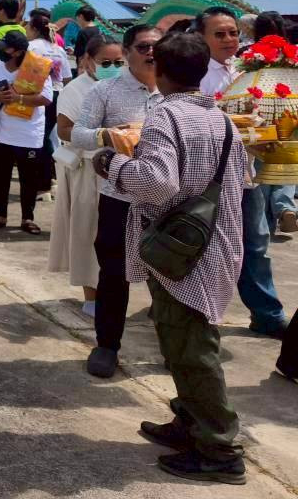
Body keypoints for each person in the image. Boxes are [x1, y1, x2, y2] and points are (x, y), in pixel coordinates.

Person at [98, 32, 247, 485]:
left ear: (159, 72)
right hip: (212, 243)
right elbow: (243, 178)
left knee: (193, 349)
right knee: (180, 340)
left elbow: (156, 183)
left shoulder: (165, 116)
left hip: (183, 250)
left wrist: (112, 164)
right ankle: (190, 421)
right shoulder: (221, 119)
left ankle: (220, 450)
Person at [71, 24, 162, 377]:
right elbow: (78, 134)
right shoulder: (105, 91)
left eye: (157, 47)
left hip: (165, 197)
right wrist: (107, 135)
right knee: (114, 272)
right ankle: (107, 345)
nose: (151, 53)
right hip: (119, 196)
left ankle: (173, 348)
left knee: (170, 274)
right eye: (143, 47)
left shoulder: (175, 90)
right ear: (126, 52)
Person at [195, 7, 289, 339]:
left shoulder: (248, 68)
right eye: (219, 34)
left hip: (247, 171)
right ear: (202, 37)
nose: (229, 39)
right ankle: (191, 313)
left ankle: (267, 314)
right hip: (209, 175)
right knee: (202, 245)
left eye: (233, 32)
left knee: (256, 243)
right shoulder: (197, 76)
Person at [49, 35, 124, 318]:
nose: (113, 68)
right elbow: (64, 130)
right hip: (88, 169)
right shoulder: (76, 89)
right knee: (87, 233)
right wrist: (102, 135)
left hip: (122, 168)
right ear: (88, 61)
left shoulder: (127, 87)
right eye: (106, 63)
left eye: (119, 62)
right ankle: (91, 296)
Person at [0, 30, 52, 235]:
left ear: (18, 52)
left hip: (28, 135)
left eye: (6, 49)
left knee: (28, 179)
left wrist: (18, 98)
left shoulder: (37, 68)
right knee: (0, 176)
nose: (1, 51)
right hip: (0, 133)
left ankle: (27, 218)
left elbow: (46, 99)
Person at [250, 12, 297, 234]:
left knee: (263, 167)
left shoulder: (251, 56)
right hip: (291, 115)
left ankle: (265, 223)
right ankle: (285, 207)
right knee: (287, 164)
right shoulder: (292, 54)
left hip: (262, 116)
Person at [28, 11, 72, 196]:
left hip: (38, 96)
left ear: (34, 28)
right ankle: (50, 178)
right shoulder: (58, 49)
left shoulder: (31, 47)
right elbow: (67, 78)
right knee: (46, 136)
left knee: (39, 138)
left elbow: (26, 75)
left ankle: (44, 183)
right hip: (57, 95)